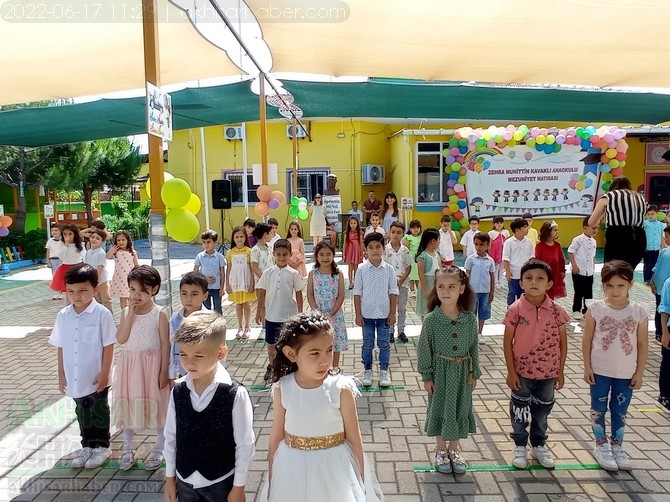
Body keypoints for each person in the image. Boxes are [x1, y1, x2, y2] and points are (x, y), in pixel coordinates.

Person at [265, 313, 383, 502]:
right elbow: (276, 437)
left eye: (329, 350)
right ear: (291, 354)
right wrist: (272, 479)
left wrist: (360, 483)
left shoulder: (341, 388)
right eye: (315, 353)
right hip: (292, 469)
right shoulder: (283, 388)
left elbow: (354, 438)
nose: (325, 360)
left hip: (335, 468)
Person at [164, 311, 255, 502]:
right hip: (184, 480)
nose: (189, 362)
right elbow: (171, 437)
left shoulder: (234, 394)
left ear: (220, 353)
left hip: (221, 483)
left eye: (198, 355)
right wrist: (169, 477)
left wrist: (239, 486)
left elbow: (245, 443)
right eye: (183, 354)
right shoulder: (178, 391)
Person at [582, 260, 648, 472]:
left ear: (630, 285)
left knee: (620, 410)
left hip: (626, 373)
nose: (615, 290)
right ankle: (600, 444)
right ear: (603, 286)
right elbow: (587, 339)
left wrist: (639, 372)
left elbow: (642, 344)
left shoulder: (639, 312)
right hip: (600, 371)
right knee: (598, 408)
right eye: (610, 285)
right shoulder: (595, 309)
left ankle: (617, 445)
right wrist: (587, 366)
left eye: (621, 285)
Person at [503, 259, 569, 470]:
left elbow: (563, 342)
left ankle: (539, 444)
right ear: (521, 283)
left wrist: (560, 371)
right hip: (522, 371)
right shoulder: (516, 309)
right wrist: (511, 371)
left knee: (542, 411)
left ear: (549, 284)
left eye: (540, 278)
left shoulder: (557, 310)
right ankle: (520, 445)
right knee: (520, 410)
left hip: (548, 373)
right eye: (529, 278)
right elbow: (507, 342)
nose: (534, 282)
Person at [49, 263, 116, 469]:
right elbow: (60, 346)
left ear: (95, 289)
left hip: (96, 375)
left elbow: (109, 345)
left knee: (98, 410)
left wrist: (105, 373)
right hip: (74, 375)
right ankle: (87, 445)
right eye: (71, 291)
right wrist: (61, 374)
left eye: (83, 290)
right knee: (81, 411)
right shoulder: (63, 316)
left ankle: (102, 447)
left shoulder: (102, 314)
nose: (76, 296)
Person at [417, 266, 480, 474]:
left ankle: (454, 450)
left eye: (451, 287)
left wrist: (474, 372)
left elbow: (473, 348)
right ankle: (440, 450)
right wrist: (427, 376)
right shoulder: (432, 320)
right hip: (440, 374)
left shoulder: (469, 319)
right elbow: (424, 350)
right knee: (441, 409)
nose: (446, 291)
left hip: (462, 374)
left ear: (462, 289)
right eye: (441, 286)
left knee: (460, 408)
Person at [113, 265, 170, 471]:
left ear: (154, 290)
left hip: (152, 367)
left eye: (143, 291)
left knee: (158, 406)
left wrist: (164, 371)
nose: (136, 295)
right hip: (130, 367)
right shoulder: (126, 311)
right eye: (132, 290)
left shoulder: (160, 313)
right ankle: (128, 449)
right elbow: (121, 338)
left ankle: (159, 448)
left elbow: (165, 344)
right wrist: (130, 315)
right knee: (129, 406)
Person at [353, 232, 398, 388]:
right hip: (367, 315)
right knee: (367, 344)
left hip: (385, 315)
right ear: (365, 249)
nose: (375, 250)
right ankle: (367, 370)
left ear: (383, 248)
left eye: (378, 247)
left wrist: (393, 313)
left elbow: (393, 292)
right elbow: (357, 293)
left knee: (384, 344)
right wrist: (358, 314)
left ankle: (384, 371)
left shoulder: (389, 270)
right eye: (370, 247)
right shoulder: (361, 270)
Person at [256, 239, 304, 383]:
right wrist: (259, 310)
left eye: (285, 254)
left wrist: (300, 313)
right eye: (278, 254)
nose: (282, 257)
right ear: (273, 254)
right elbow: (262, 292)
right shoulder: (267, 273)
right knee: (271, 345)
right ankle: (273, 367)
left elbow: (299, 293)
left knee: (289, 345)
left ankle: (290, 368)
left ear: (290, 254)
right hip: (271, 316)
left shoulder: (293, 273)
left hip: (289, 317)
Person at [588, 175, 647, 269]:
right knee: (628, 271)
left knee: (612, 270)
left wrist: (601, 219)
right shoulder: (640, 197)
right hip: (639, 236)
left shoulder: (609, 196)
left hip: (617, 236)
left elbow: (591, 222)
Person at [307, 241, 348, 372]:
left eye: (328, 254)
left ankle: (335, 367)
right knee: (319, 343)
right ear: (317, 257)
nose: (325, 258)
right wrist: (316, 311)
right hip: (318, 316)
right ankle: (321, 366)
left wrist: (332, 312)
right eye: (322, 254)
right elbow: (310, 294)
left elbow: (341, 295)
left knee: (335, 342)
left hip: (335, 315)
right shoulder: (313, 274)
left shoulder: (338, 274)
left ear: (333, 256)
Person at [169, 272, 210, 380]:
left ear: (205, 296)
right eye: (184, 293)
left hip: (206, 375)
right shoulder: (174, 320)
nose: (188, 299)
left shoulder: (211, 320)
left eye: (194, 294)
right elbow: (170, 349)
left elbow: (218, 350)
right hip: (183, 374)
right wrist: (171, 375)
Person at [383, 222, 413, 344]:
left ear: (402, 234)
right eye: (393, 232)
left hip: (402, 284)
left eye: (399, 232)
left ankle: (401, 331)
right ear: (389, 233)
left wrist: (401, 279)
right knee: (390, 308)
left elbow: (409, 266)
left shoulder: (405, 250)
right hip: (388, 285)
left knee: (401, 308)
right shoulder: (384, 249)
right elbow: (382, 266)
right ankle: (390, 331)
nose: (395, 235)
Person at [464, 232, 495, 345]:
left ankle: (480, 332)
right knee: (472, 313)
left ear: (487, 245)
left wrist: (492, 292)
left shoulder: (490, 261)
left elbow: (492, 277)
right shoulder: (470, 259)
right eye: (476, 244)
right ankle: (471, 333)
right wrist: (466, 291)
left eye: (481, 244)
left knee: (483, 312)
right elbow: (467, 275)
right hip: (473, 291)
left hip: (485, 291)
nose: (478, 247)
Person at [226, 226, 256, 339]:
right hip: (235, 282)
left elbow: (252, 268)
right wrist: (227, 284)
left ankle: (248, 327)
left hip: (246, 281)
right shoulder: (230, 252)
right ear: (233, 238)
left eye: (241, 236)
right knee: (238, 305)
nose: (239, 239)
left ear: (245, 237)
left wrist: (252, 283)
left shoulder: (249, 251)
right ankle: (239, 327)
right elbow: (228, 268)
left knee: (246, 303)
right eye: (237, 237)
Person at [568, 217, 598, 320]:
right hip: (578, 271)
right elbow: (571, 252)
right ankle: (576, 310)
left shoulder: (594, 241)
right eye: (593, 228)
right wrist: (574, 265)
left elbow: (593, 256)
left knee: (588, 292)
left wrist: (593, 267)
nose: (595, 230)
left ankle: (587, 310)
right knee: (579, 292)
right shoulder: (578, 239)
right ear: (585, 227)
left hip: (589, 271)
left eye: (596, 228)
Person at [49, 223, 85, 305]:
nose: (68, 236)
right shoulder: (61, 244)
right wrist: (66, 245)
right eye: (65, 234)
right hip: (66, 268)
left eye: (70, 234)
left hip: (78, 268)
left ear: (74, 234)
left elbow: (84, 256)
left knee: (78, 288)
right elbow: (61, 257)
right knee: (68, 290)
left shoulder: (80, 244)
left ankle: (79, 305)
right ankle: (68, 307)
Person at [194, 229, 226, 314]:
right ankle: (207, 326)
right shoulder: (200, 256)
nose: (206, 244)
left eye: (208, 242)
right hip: (204, 287)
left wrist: (222, 288)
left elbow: (222, 273)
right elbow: (195, 272)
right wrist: (204, 280)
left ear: (215, 243)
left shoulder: (220, 257)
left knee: (218, 308)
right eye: (204, 242)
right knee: (206, 309)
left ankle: (219, 325)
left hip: (216, 288)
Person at [502, 218, 533, 306]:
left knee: (523, 292)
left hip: (525, 273)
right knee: (513, 291)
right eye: (525, 227)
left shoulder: (529, 242)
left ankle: (521, 309)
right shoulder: (509, 242)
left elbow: (531, 257)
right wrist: (507, 270)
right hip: (513, 273)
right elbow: (506, 257)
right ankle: (510, 309)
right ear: (517, 230)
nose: (527, 229)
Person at [107, 230, 139, 311]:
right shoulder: (116, 252)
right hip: (119, 278)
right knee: (123, 298)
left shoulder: (132, 252)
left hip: (130, 278)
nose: (121, 242)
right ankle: (124, 315)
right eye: (118, 240)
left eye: (123, 240)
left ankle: (132, 313)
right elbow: (107, 256)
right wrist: (111, 251)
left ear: (128, 240)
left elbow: (136, 265)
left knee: (131, 297)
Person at [534, 221, 566, 300]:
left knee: (552, 293)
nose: (556, 232)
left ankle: (550, 307)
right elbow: (538, 260)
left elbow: (561, 259)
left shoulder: (557, 245)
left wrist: (562, 271)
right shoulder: (540, 246)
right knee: (543, 292)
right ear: (547, 231)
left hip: (555, 273)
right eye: (554, 230)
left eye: (557, 230)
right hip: (544, 273)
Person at [416, 228, 442, 319]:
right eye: (439, 240)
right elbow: (421, 273)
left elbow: (440, 269)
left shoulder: (438, 254)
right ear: (433, 241)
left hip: (437, 285)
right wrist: (426, 289)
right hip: (427, 284)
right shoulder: (422, 256)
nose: (439, 242)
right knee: (426, 308)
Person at [84, 229, 112, 313]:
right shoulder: (88, 252)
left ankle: (109, 316)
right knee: (96, 300)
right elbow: (86, 266)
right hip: (92, 280)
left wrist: (96, 281)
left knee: (105, 299)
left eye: (97, 238)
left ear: (102, 242)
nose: (94, 239)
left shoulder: (101, 253)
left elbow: (100, 268)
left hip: (101, 281)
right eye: (92, 237)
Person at [651, 226, 670, 344]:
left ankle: (661, 332)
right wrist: (652, 281)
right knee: (660, 309)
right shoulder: (664, 252)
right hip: (660, 286)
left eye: (667, 237)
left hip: (664, 287)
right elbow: (656, 267)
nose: (665, 239)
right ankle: (659, 332)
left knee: (662, 310)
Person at [657, 272, 670, 413]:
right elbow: (665, 309)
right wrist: (665, 332)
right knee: (668, 364)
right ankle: (664, 396)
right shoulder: (669, 282)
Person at [643, 205, 666, 284]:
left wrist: (663, 248)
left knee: (655, 264)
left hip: (656, 248)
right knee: (647, 264)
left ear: (657, 214)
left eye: (652, 214)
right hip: (647, 248)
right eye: (648, 214)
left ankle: (653, 279)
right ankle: (647, 279)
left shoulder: (660, 225)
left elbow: (661, 236)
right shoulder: (645, 224)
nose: (650, 216)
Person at [343, 216, 364, 289]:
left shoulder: (360, 233)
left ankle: (356, 282)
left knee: (356, 267)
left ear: (357, 224)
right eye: (351, 223)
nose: (353, 225)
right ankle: (350, 282)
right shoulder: (346, 233)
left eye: (354, 223)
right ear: (348, 224)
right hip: (349, 251)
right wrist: (344, 254)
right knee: (350, 267)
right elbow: (344, 244)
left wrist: (361, 253)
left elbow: (361, 243)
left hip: (356, 251)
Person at [488, 216, 509, 289]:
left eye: (501, 223)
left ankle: (501, 281)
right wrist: (489, 253)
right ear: (494, 224)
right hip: (495, 253)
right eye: (497, 223)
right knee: (496, 267)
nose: (499, 224)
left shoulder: (506, 232)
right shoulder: (491, 233)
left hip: (503, 252)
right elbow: (489, 244)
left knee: (502, 267)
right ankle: (495, 281)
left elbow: (508, 242)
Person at [402, 219, 422, 295]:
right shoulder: (408, 237)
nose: (416, 229)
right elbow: (405, 249)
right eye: (414, 228)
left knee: (418, 275)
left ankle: (418, 291)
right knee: (412, 276)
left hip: (419, 259)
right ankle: (412, 291)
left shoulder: (421, 237)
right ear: (410, 229)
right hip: (411, 259)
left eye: (417, 227)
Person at [45, 222, 63, 300]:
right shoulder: (50, 241)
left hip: (61, 260)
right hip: (53, 260)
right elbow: (48, 251)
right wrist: (48, 261)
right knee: (55, 276)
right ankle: (58, 291)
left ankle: (63, 292)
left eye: (56, 230)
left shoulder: (63, 240)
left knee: (62, 276)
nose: (54, 232)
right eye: (52, 230)